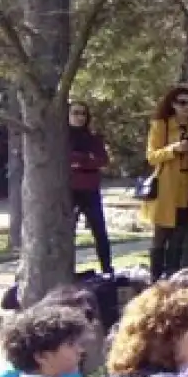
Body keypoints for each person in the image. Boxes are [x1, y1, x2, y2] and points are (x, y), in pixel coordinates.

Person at [143, 85, 188, 278]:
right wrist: (174, 149)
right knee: (160, 235)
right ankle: (155, 278)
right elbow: (152, 156)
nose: (187, 107)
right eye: (182, 103)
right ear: (172, 104)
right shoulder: (161, 126)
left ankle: (172, 277)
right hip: (166, 187)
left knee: (179, 238)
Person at [69, 102, 112, 273]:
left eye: (83, 114)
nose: (80, 117)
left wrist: (81, 161)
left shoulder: (93, 138)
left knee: (99, 232)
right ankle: (67, 271)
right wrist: (85, 159)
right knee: (67, 234)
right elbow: (64, 159)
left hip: (90, 190)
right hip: (70, 191)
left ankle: (107, 269)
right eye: (75, 113)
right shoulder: (61, 137)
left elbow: (102, 160)